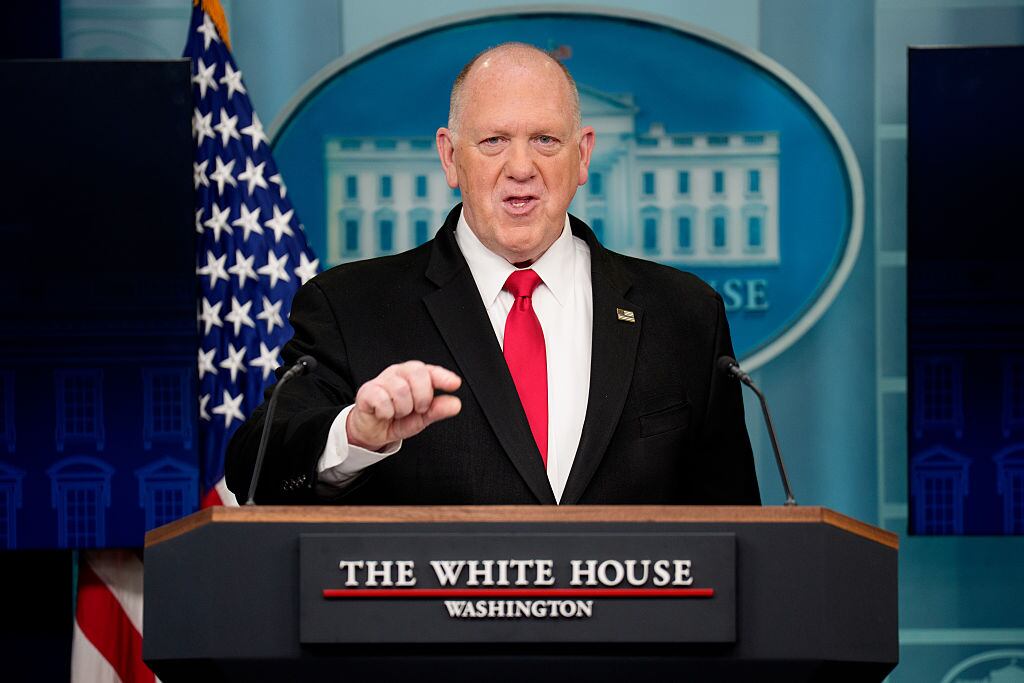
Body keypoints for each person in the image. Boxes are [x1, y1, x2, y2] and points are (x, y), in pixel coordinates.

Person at [225, 43, 761, 506]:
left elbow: (738, 531)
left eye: (546, 140)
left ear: (583, 156)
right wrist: (356, 435)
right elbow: (255, 468)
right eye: (494, 141)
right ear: (450, 157)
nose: (521, 167)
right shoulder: (350, 306)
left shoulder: (685, 313)